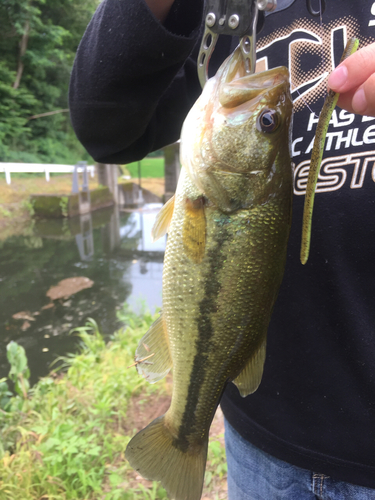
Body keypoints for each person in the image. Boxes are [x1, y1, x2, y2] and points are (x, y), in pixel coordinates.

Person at [69, 0, 375, 498]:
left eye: (265, 124)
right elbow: (105, 125)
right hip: (264, 445)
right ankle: (185, 434)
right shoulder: (230, 11)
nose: (271, 84)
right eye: (271, 124)